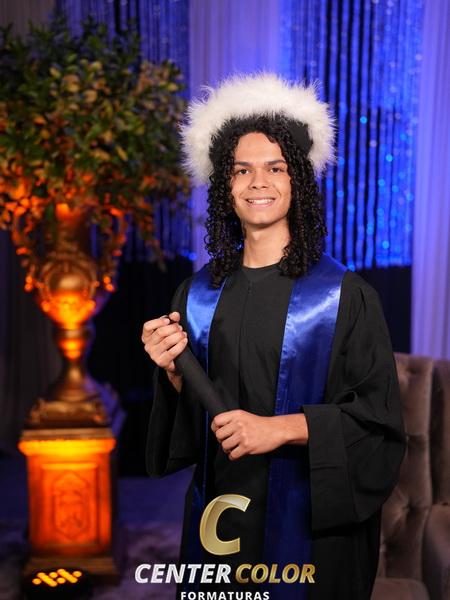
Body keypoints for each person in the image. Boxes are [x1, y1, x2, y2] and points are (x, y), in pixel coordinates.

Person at [141, 73, 406, 600]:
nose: (257, 182)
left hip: (311, 525)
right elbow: (195, 428)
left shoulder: (344, 297)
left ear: (297, 180)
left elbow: (378, 424)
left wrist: (279, 430)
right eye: (242, 169)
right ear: (226, 185)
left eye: (275, 167)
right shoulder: (195, 296)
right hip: (221, 517)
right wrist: (173, 373)